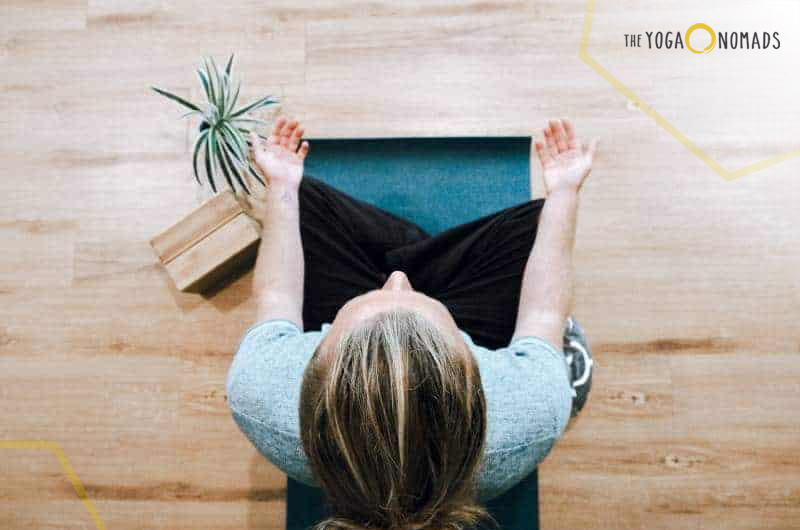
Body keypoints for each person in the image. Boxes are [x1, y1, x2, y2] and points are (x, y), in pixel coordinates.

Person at [226, 117, 597, 530]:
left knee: (305, 199)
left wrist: (281, 184)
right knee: (535, 225)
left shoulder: (260, 392)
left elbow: (277, 296)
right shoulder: (530, 411)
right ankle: (422, 250)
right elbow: (543, 314)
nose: (400, 281)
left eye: (380, 295)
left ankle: (407, 244)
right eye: (417, 301)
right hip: (480, 314)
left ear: (312, 366)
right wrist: (564, 191)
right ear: (475, 372)